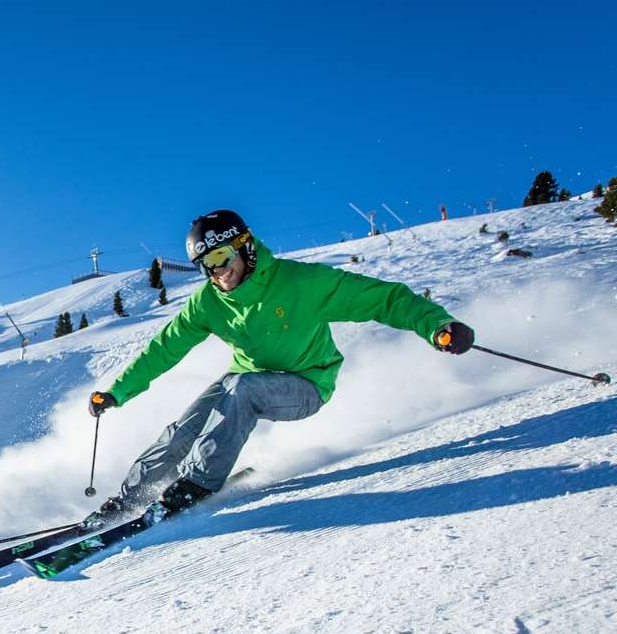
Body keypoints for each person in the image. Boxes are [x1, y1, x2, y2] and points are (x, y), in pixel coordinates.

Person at [87, 209, 474, 519]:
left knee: (241, 390)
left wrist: (438, 326)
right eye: (205, 266)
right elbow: (164, 348)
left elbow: (383, 299)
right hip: (247, 379)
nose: (216, 273)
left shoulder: (300, 282)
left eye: (221, 258)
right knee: (188, 424)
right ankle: (130, 498)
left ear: (245, 247)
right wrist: (117, 391)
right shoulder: (208, 302)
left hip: (307, 383)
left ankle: (198, 483)